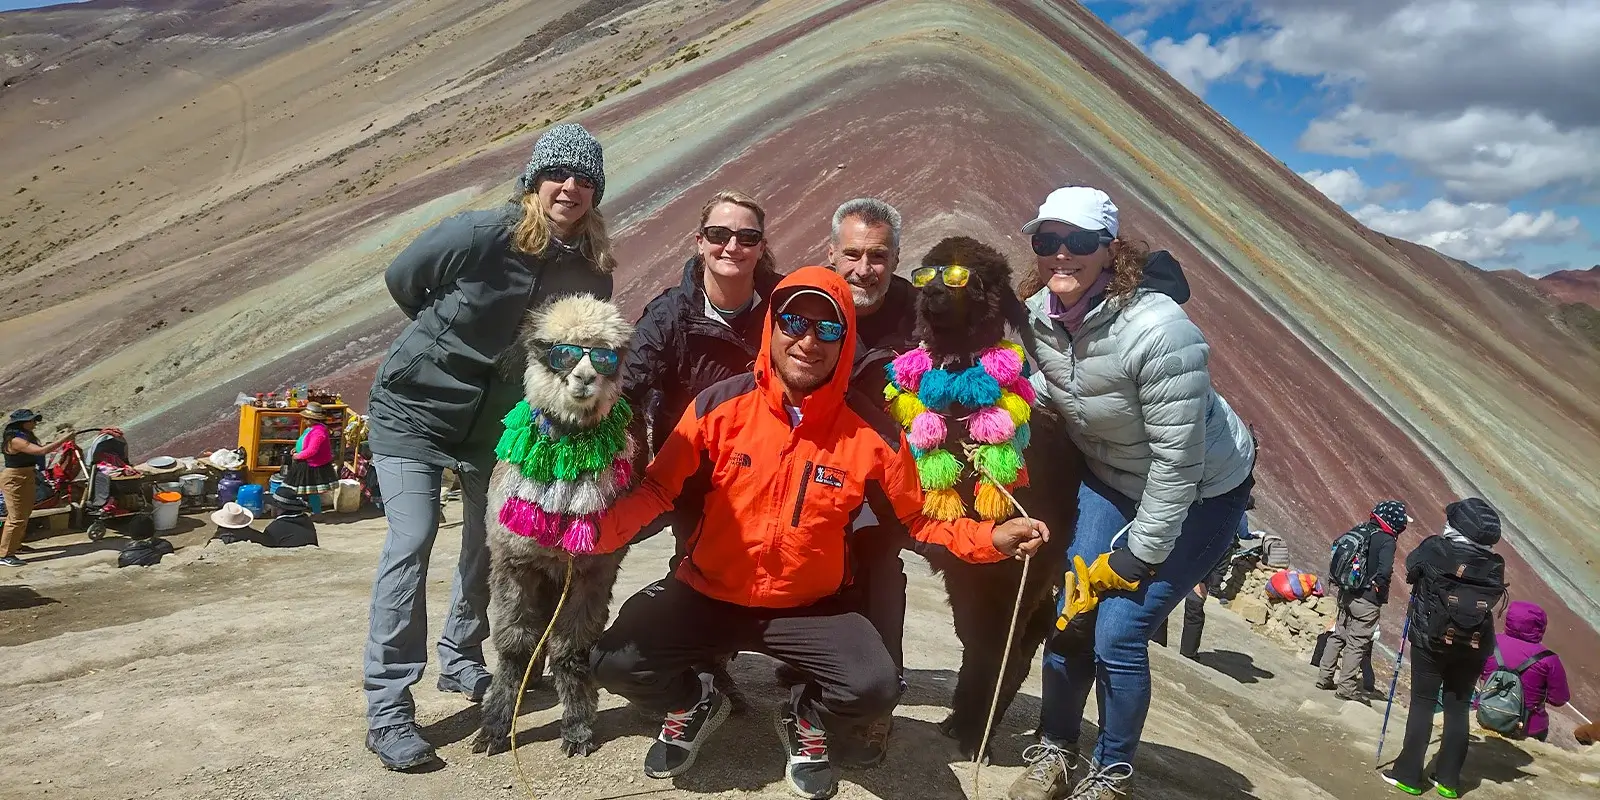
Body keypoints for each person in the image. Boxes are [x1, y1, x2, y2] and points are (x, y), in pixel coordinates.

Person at [586, 268, 1050, 799]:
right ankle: (693, 700)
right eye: (794, 322)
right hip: (708, 590)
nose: (808, 341)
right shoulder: (718, 406)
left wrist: (992, 539)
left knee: (873, 687)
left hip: (808, 607)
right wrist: (593, 534)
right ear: (772, 327)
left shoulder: (870, 433)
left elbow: (919, 519)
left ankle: (804, 716)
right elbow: (656, 491)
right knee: (613, 661)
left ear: (846, 341)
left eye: (828, 330)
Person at [360, 122, 614, 771]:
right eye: (560, 174)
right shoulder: (479, 233)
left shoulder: (590, 270)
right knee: (412, 539)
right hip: (414, 408)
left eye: (586, 179)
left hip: (496, 427)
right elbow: (404, 279)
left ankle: (461, 660)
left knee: (489, 547)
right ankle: (389, 707)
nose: (571, 188)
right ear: (535, 179)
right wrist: (442, 343)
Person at [1010, 187, 1256, 800]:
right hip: (1113, 477)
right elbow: (1064, 386)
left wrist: (1139, 553)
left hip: (1199, 492)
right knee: (1071, 611)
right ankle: (1055, 750)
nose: (1061, 256)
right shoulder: (1039, 313)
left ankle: (1112, 771)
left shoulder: (1160, 330)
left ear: (1110, 249)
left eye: (1080, 243)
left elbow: (1178, 462)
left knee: (1118, 628)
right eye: (1048, 242)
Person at [622, 190, 781, 453]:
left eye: (747, 238)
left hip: (767, 458)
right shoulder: (669, 315)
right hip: (691, 468)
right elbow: (624, 388)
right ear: (700, 242)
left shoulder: (785, 301)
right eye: (718, 234)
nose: (732, 247)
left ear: (761, 248)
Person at [1385, 498, 1507, 798]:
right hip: (1475, 644)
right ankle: (1449, 781)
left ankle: (1408, 774)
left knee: (1423, 703)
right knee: (1458, 709)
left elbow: (1411, 570)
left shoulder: (1436, 547)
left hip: (1431, 639)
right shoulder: (1494, 564)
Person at [1317, 500, 1408, 703]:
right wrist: (1377, 585)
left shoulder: (1363, 530)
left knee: (1338, 634)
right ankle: (1346, 688)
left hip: (1347, 592)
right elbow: (1384, 570)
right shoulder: (1387, 540)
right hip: (1367, 599)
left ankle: (1324, 677)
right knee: (1357, 643)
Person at [1478, 601, 1569, 743]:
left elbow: (1473, 671)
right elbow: (1559, 699)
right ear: (1540, 627)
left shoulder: (1490, 641)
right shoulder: (1549, 659)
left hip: (1485, 712)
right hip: (1527, 726)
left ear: (1509, 620)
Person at [2, 409, 71, 568]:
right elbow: (40, 451)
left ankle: (15, 545)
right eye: (31, 421)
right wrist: (64, 439)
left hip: (27, 475)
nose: (34, 423)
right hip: (15, 478)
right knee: (16, 517)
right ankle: (5, 554)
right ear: (21, 423)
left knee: (24, 514)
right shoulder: (15, 440)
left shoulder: (24, 437)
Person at [284, 402, 337, 514]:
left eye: (306, 419)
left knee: (311, 491)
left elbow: (312, 450)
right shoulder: (310, 428)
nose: (304, 420)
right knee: (308, 491)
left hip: (313, 464)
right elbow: (305, 443)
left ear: (312, 419)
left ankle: (316, 512)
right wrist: (296, 449)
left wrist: (298, 455)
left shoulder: (318, 432)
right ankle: (306, 509)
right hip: (305, 461)